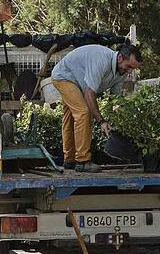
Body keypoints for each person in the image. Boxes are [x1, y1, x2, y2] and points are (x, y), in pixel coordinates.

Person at [51, 44, 142, 172]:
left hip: (77, 82)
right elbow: (89, 94)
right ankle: (82, 161)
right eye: (129, 67)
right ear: (120, 57)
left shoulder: (121, 72)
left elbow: (115, 100)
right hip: (64, 77)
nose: (130, 71)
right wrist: (101, 121)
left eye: (133, 69)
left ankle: (69, 160)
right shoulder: (101, 60)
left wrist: (119, 120)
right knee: (83, 113)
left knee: (71, 117)